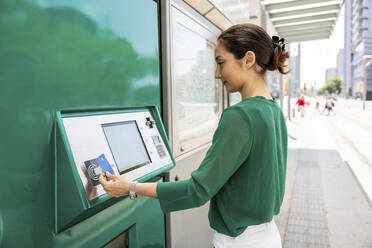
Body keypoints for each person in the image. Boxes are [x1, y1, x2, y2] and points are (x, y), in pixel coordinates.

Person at [99, 24, 289, 248]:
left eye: (221, 63)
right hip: (267, 236)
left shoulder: (240, 115)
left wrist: (131, 187)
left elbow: (197, 191)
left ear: (248, 60)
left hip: (240, 241)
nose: (217, 74)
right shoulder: (273, 110)